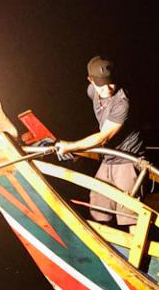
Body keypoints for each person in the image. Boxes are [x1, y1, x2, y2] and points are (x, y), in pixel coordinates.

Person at [54, 56, 144, 226]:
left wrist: (70, 146)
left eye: (111, 83)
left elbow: (104, 137)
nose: (107, 88)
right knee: (98, 206)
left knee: (129, 216)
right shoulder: (92, 91)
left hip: (127, 160)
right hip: (108, 159)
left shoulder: (122, 101)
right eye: (101, 84)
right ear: (91, 81)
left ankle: (135, 250)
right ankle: (104, 247)